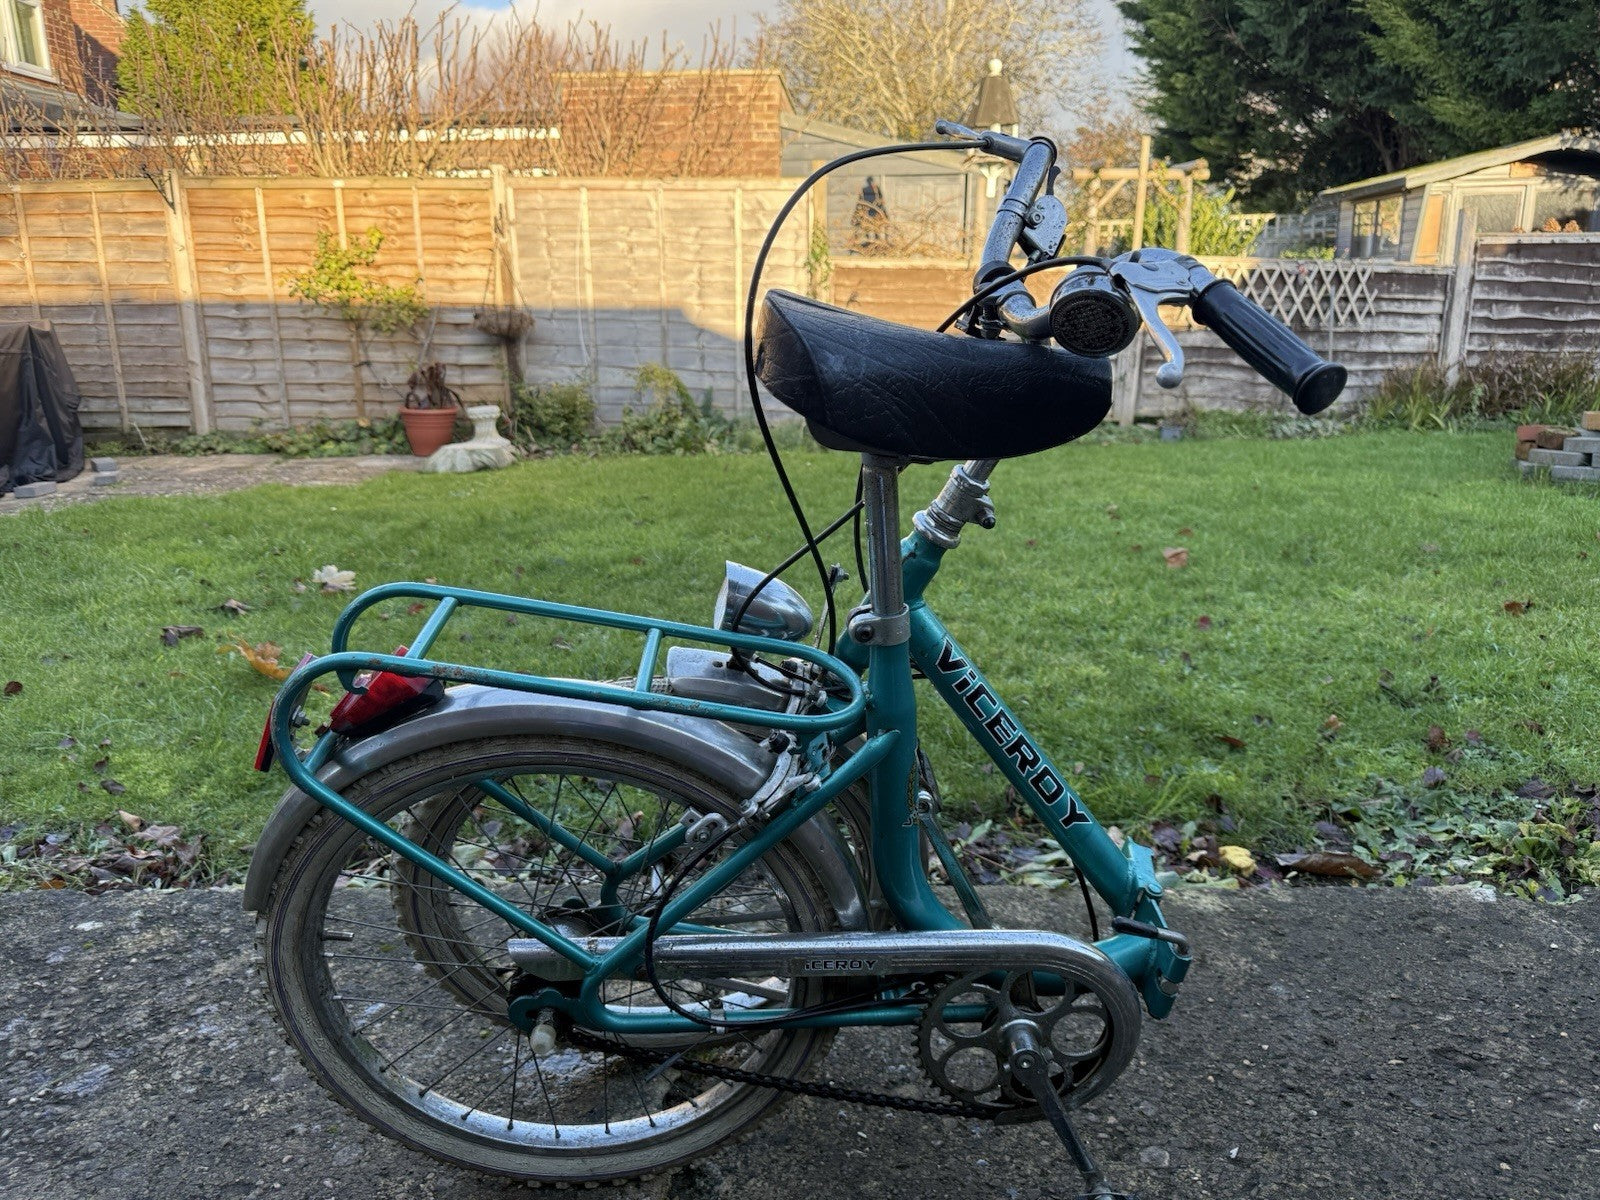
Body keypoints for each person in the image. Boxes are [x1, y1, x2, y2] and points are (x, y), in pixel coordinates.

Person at [852, 176, 889, 249]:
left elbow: (881, 201)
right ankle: (869, 242)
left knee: (876, 229)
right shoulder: (865, 190)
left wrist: (883, 213)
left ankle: (876, 243)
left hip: (875, 213)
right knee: (867, 229)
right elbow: (860, 202)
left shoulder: (876, 189)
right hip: (868, 213)